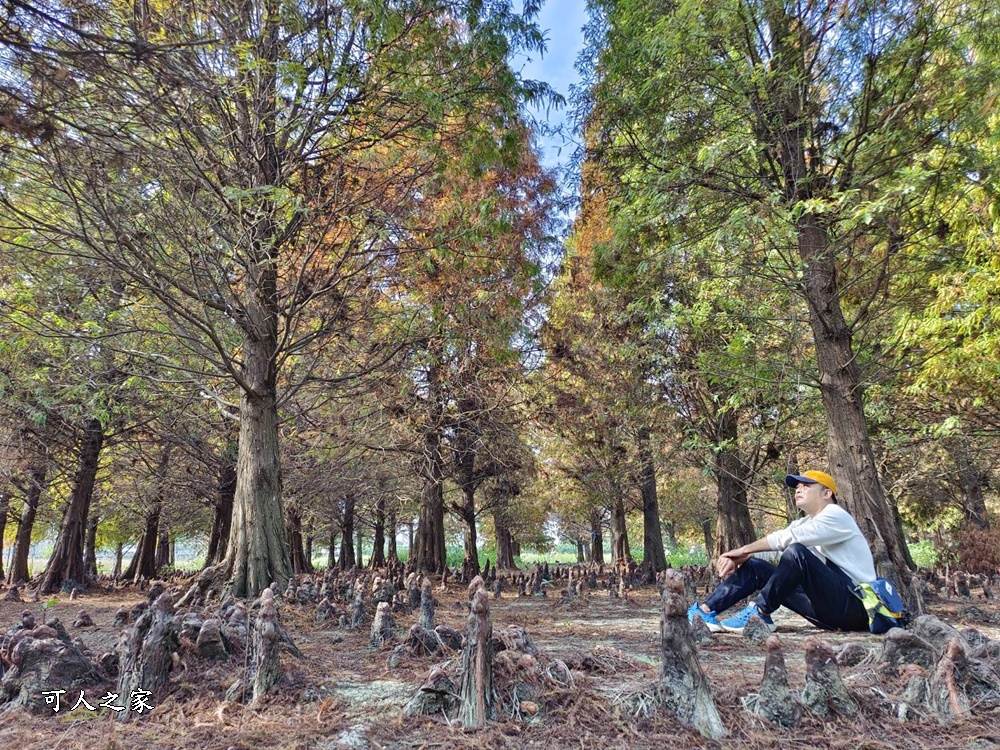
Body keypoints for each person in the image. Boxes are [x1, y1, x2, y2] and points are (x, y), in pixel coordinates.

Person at [688, 470, 875, 634]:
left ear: (826, 493)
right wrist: (742, 557)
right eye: (797, 487)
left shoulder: (837, 515)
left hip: (854, 608)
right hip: (826, 611)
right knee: (755, 566)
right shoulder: (805, 523)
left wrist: (744, 549)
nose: (798, 490)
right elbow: (776, 551)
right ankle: (704, 611)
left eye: (806, 486)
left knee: (796, 552)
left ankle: (759, 612)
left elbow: (788, 540)